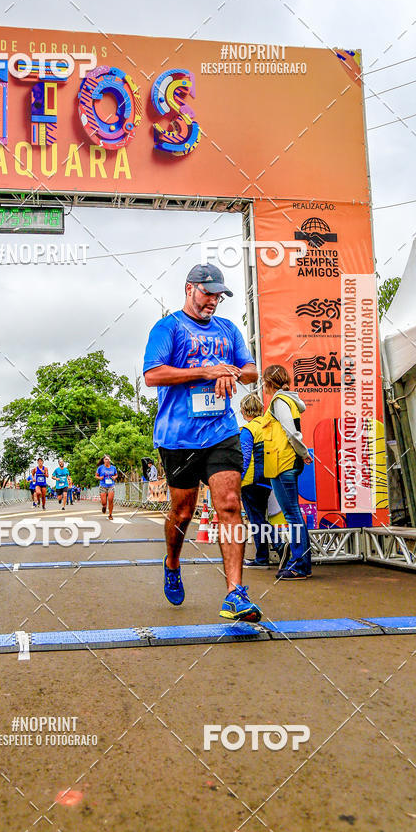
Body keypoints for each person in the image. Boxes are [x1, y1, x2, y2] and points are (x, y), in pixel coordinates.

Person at [143, 263, 261, 621]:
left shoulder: (228, 329)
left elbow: (253, 369)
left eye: (218, 295)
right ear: (189, 289)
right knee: (182, 511)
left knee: (229, 503)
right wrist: (207, 370)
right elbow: (153, 375)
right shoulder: (168, 327)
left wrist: (231, 372)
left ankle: (235, 593)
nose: (213, 300)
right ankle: (172, 561)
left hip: (221, 431)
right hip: (178, 437)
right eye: (208, 293)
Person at [262, 364, 313, 580]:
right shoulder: (289, 400)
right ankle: (300, 562)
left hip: (283, 463)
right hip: (284, 463)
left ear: (269, 383)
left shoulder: (279, 401)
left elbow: (291, 432)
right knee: (294, 514)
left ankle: (299, 564)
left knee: (292, 515)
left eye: (263, 382)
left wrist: (302, 452)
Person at [239, 394, 274, 568]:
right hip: (268, 479)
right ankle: (264, 555)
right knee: (260, 517)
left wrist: (237, 480)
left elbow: (244, 458)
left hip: (250, 481)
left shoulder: (247, 430)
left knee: (257, 520)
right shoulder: (269, 426)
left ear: (245, 410)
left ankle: (272, 550)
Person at [95, 455, 117, 520]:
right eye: (105, 459)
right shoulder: (100, 468)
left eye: (108, 459)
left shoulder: (113, 468)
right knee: (104, 502)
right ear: (103, 460)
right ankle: (104, 507)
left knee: (110, 500)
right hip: (103, 486)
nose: (107, 461)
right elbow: (96, 476)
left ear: (110, 460)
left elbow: (116, 474)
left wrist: (115, 477)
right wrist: (99, 478)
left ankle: (110, 514)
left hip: (111, 485)